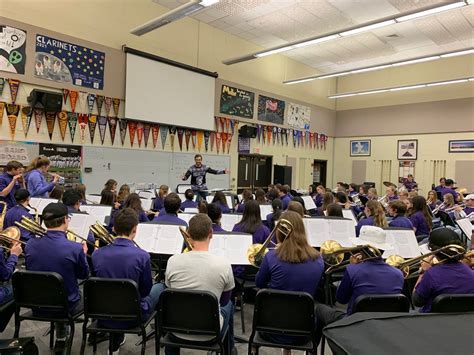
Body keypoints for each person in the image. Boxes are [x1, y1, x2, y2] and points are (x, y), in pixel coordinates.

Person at [92, 208, 166, 352]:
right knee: (160, 287)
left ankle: (114, 345)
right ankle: (164, 332)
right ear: (135, 229)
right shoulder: (142, 256)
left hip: (102, 314)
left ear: (113, 228)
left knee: (115, 292)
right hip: (134, 316)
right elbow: (145, 291)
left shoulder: (97, 254)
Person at [316, 227, 404, 342]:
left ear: (362, 249)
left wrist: (352, 267)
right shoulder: (399, 274)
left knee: (319, 309)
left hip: (354, 323)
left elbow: (341, 299)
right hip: (385, 325)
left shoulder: (353, 270)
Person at [165, 214, 235, 354]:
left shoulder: (172, 261)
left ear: (188, 234)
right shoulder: (224, 264)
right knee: (230, 306)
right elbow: (224, 300)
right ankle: (228, 350)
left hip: (175, 329)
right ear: (211, 234)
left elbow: (170, 291)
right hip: (211, 333)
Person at [255, 211, 324, 353]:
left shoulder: (271, 257)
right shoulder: (318, 259)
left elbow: (259, 283)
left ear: (280, 232)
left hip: (269, 328)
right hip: (304, 331)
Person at [25, 203, 89, 351]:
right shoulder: (74, 248)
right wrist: (83, 256)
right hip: (66, 306)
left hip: (37, 304)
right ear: (66, 220)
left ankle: (61, 337)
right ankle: (97, 333)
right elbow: (83, 275)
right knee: (93, 292)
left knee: (58, 287)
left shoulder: (30, 244)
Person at [412, 228, 474, 312]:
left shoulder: (431, 275)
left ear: (434, 251)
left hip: (434, 321)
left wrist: (423, 271)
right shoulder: (471, 273)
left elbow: (417, 301)